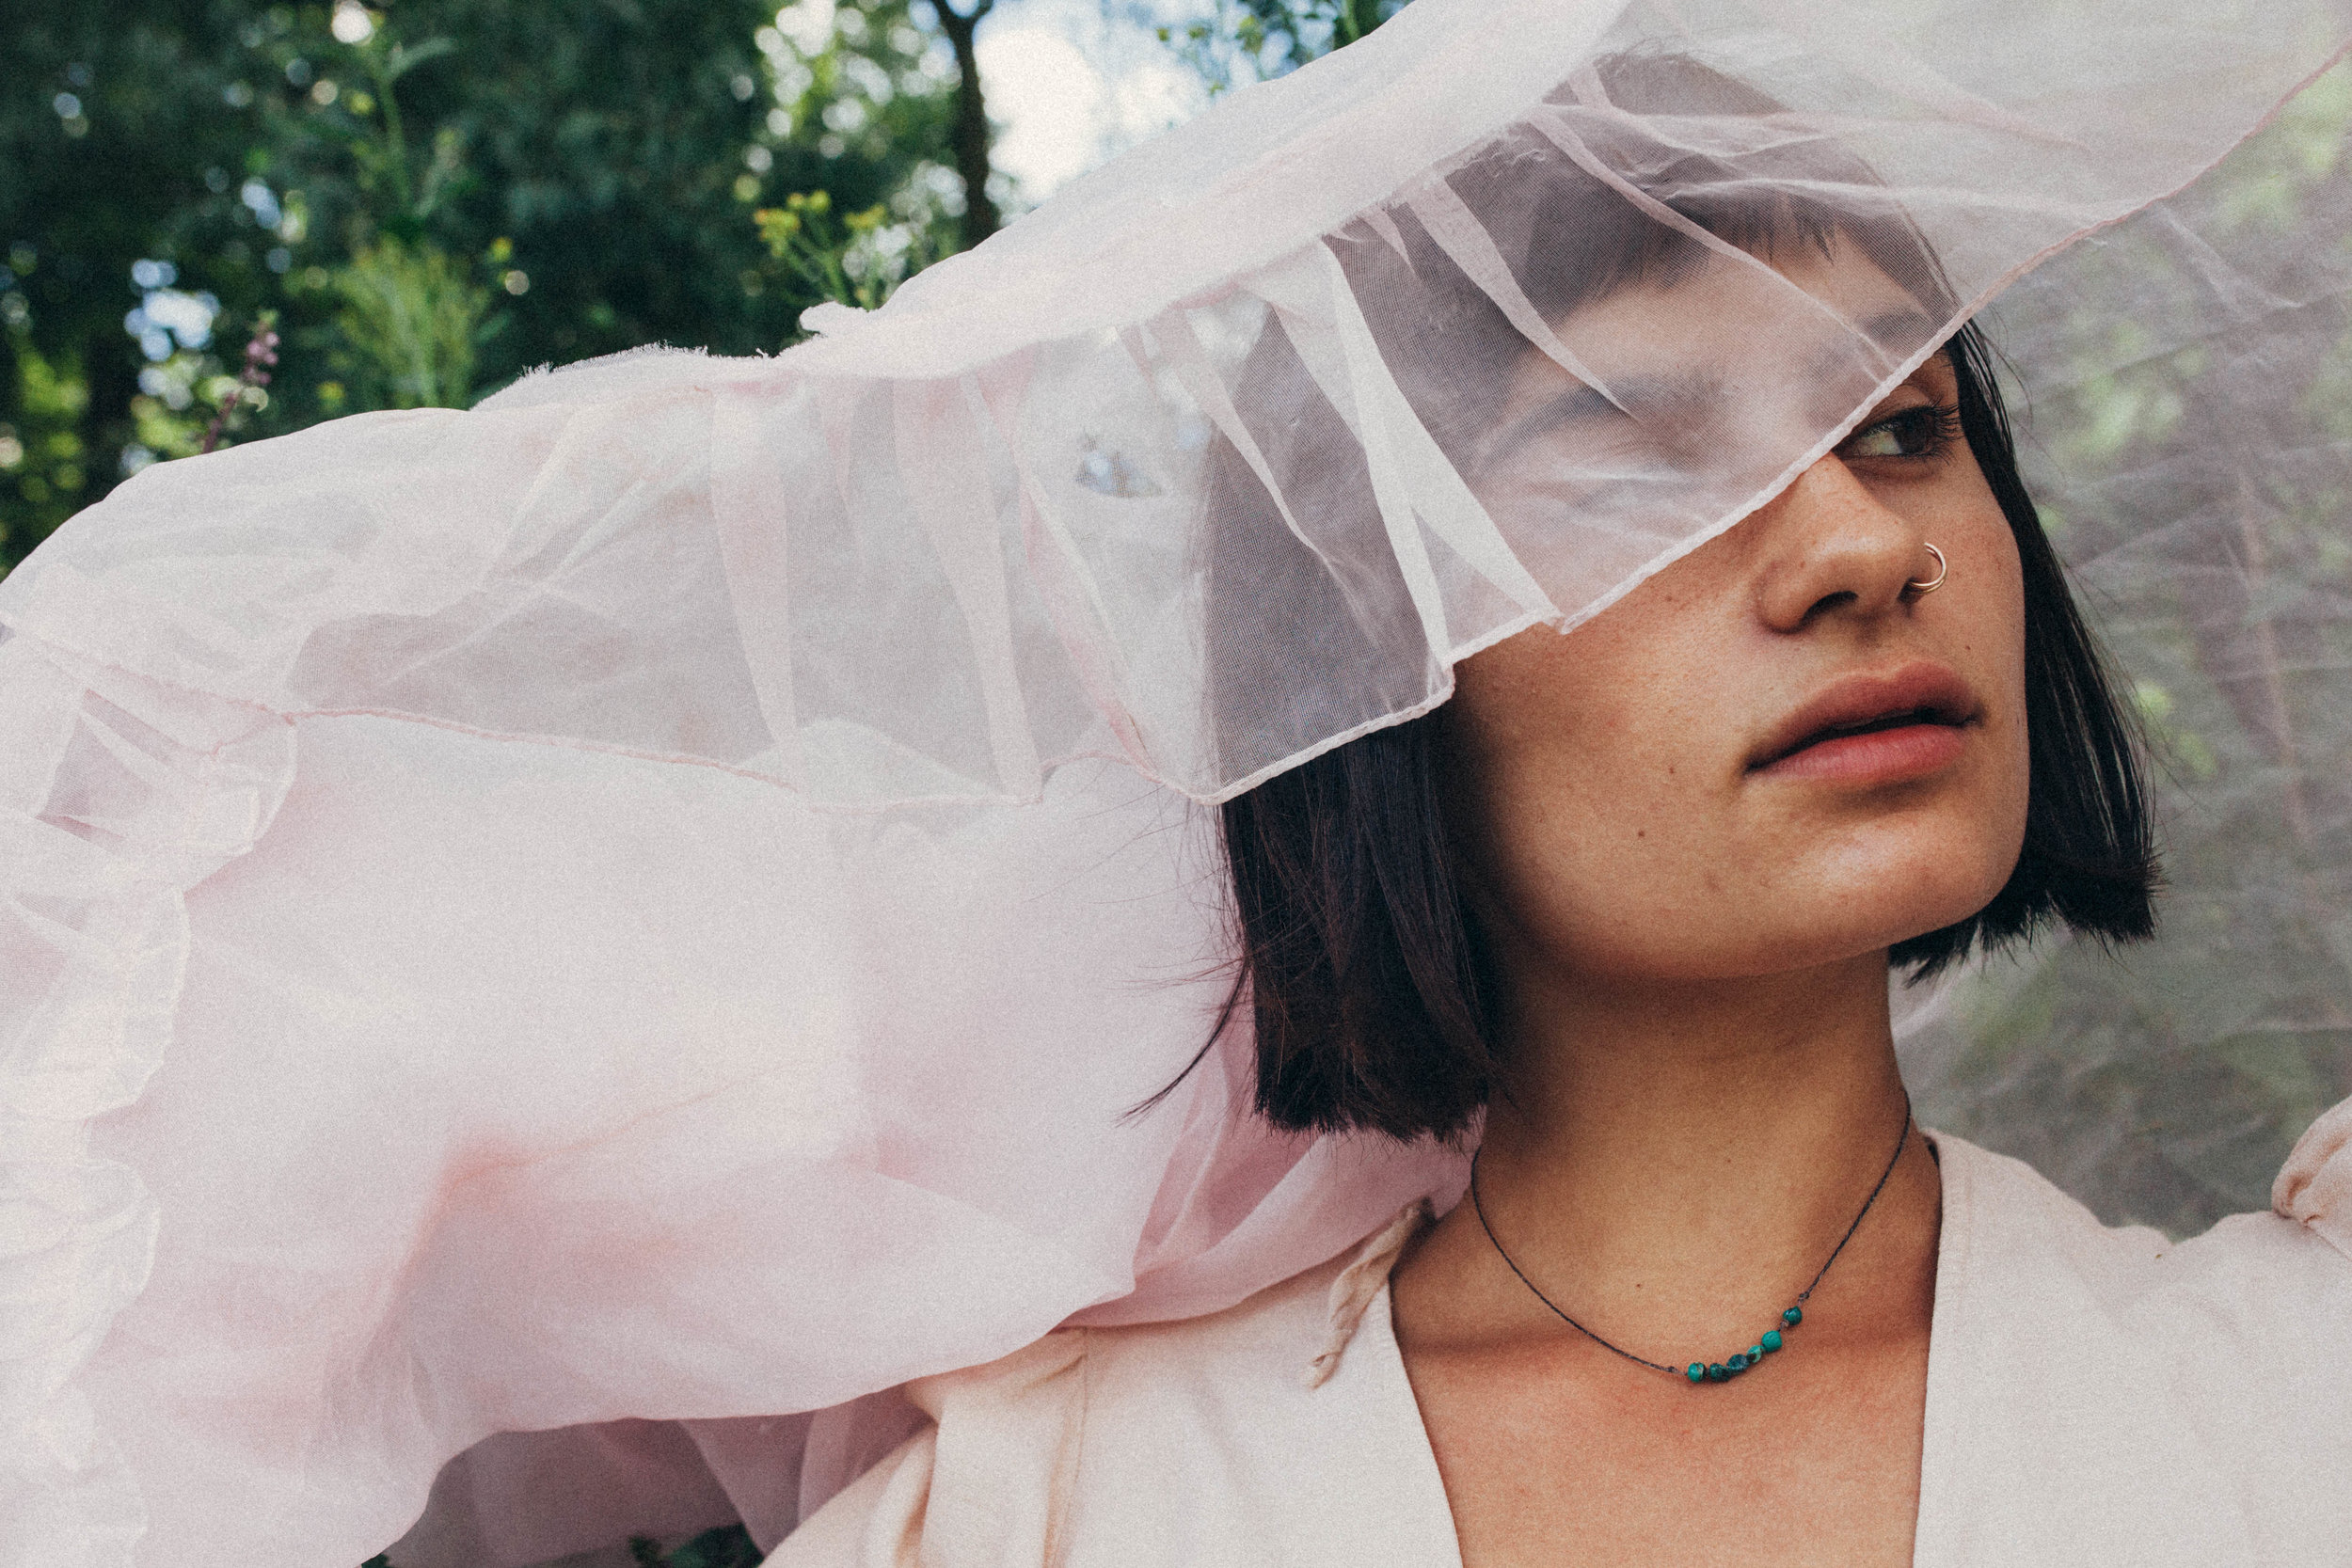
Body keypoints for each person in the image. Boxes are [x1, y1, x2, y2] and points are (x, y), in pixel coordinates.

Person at [2, 5, 2348, 1566]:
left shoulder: (2293, 1382)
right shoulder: (1030, 1513)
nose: (1857, 548)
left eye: (1908, 428)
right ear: (1357, 658)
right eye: (1644, 465)